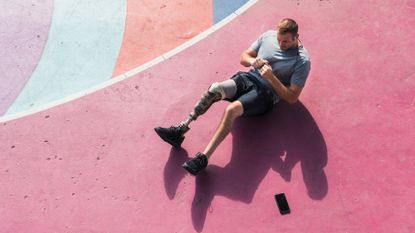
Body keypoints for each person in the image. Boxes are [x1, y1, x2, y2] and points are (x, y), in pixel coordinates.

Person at [155, 18, 311, 176]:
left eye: (285, 42)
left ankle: (203, 158)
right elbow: (244, 57)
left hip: (266, 94)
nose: (280, 44)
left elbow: (292, 97)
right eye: (278, 40)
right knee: (215, 89)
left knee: (231, 110)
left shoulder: (302, 61)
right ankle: (180, 130)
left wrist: (271, 77)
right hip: (248, 78)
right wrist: (253, 61)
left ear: (296, 37)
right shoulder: (268, 36)